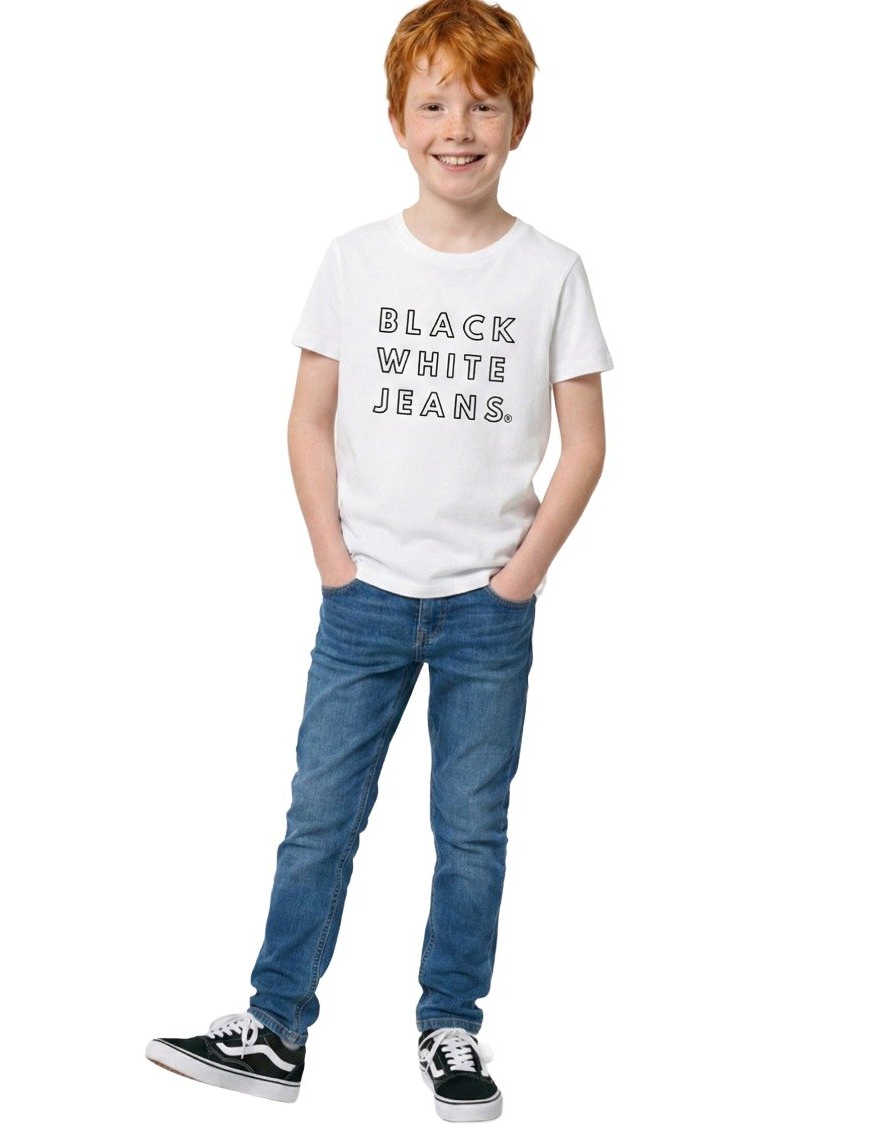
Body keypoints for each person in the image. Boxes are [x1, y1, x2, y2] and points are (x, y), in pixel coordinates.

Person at [145, 0, 614, 1119]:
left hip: (485, 608)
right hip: (363, 600)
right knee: (320, 812)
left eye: (484, 104)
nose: (459, 126)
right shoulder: (353, 261)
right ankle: (275, 1026)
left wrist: (520, 577)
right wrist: (333, 558)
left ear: (520, 120)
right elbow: (307, 417)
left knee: (471, 827)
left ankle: (450, 1026)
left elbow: (586, 442)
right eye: (434, 103)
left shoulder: (550, 272)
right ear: (398, 120)